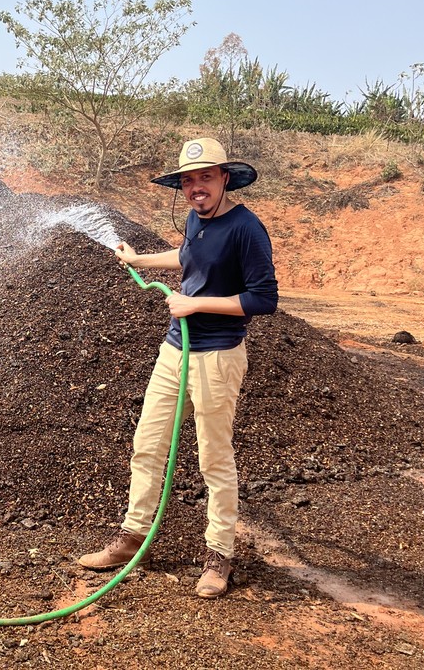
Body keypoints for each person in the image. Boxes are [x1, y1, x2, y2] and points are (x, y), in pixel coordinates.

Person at [78, 137, 278, 599]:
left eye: (205, 177)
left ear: (225, 177)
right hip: (174, 353)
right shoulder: (194, 220)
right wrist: (140, 259)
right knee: (147, 444)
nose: (196, 188)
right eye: (188, 181)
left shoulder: (247, 229)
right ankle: (132, 539)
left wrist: (195, 304)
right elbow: (188, 258)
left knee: (213, 458)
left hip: (218, 357)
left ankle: (219, 556)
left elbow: (264, 298)